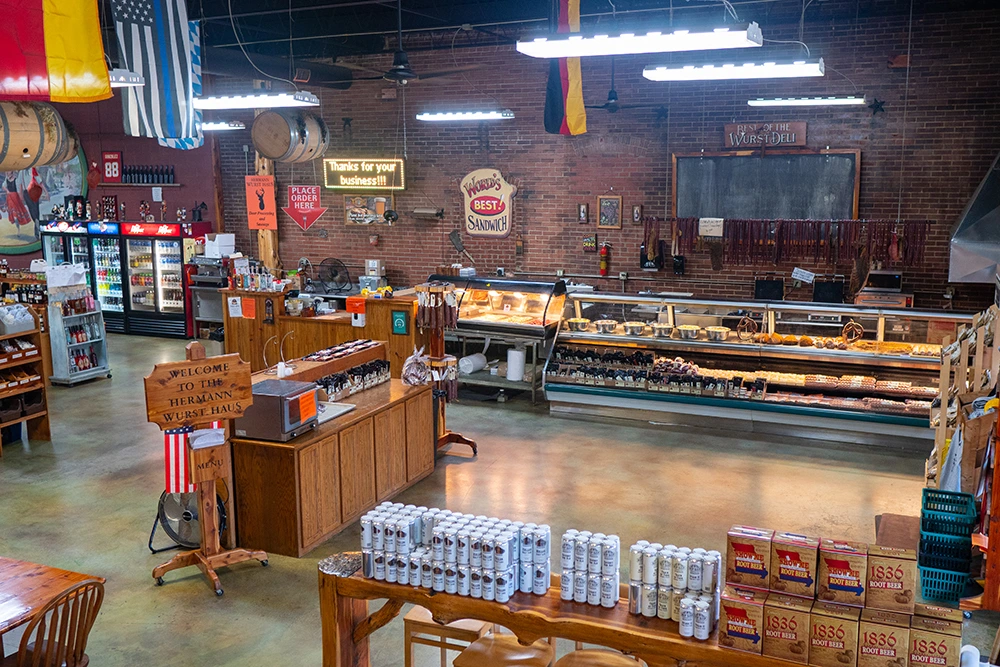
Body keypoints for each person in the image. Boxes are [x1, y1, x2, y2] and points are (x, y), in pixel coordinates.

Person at [3, 172, 32, 236]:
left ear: (12, 173)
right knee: (13, 214)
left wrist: (21, 197)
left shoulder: (16, 180)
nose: (8, 174)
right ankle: (18, 229)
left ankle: (18, 229)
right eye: (7, 173)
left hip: (15, 198)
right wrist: (7, 191)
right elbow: (3, 186)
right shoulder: (6, 180)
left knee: (16, 215)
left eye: (9, 173)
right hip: (10, 198)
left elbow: (19, 189)